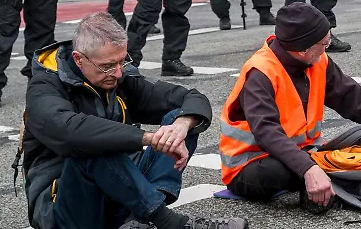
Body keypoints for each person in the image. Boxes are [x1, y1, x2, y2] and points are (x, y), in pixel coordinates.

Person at [23, 12, 246, 229]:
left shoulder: (119, 78)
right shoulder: (44, 87)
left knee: (178, 117)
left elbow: (191, 98)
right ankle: (167, 222)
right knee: (93, 142)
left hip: (118, 194)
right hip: (66, 207)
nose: (118, 73)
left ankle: (140, 220)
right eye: (108, 65)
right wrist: (148, 138)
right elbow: (70, 132)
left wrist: (181, 124)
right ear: (78, 59)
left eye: (122, 61)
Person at [220, 3, 361, 211]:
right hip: (253, 165)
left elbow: (356, 99)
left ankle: (326, 181)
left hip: (308, 154)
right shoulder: (261, 72)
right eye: (324, 43)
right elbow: (266, 132)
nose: (327, 46)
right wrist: (307, 167)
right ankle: (329, 180)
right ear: (302, 49)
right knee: (285, 171)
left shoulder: (317, 61)